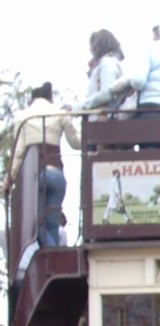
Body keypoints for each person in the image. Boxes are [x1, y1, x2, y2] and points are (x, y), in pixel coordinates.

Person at [5, 82, 82, 248]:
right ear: (50, 97)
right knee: (52, 225)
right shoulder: (61, 114)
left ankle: (53, 257)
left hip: (36, 177)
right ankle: (55, 258)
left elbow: (18, 153)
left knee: (37, 225)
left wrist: (10, 179)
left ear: (32, 99)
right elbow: (76, 142)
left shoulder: (24, 116)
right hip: (57, 175)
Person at [83, 29, 126, 113]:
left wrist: (80, 106)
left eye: (91, 45)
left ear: (98, 46)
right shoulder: (112, 62)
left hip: (101, 118)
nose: (90, 49)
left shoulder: (107, 63)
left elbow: (106, 94)